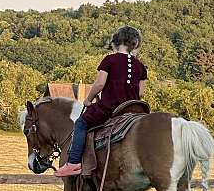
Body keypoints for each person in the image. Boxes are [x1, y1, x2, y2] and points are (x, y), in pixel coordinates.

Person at [54, 25, 148, 177]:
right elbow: (141, 92)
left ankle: (73, 162)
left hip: (111, 107)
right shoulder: (141, 66)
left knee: (81, 123)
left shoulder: (109, 60)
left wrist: (88, 100)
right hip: (134, 109)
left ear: (116, 42)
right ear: (135, 44)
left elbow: (99, 84)